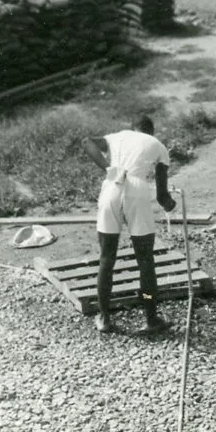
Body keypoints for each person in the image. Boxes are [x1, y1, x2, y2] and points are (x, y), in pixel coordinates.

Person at [83, 114, 177, 334]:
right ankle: (151, 318)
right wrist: (171, 204)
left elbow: (86, 142)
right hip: (138, 192)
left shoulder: (117, 137)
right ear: (150, 132)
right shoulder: (157, 145)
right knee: (145, 261)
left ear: (132, 128)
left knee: (107, 258)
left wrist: (109, 168)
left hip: (111, 188)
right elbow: (163, 196)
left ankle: (105, 318)